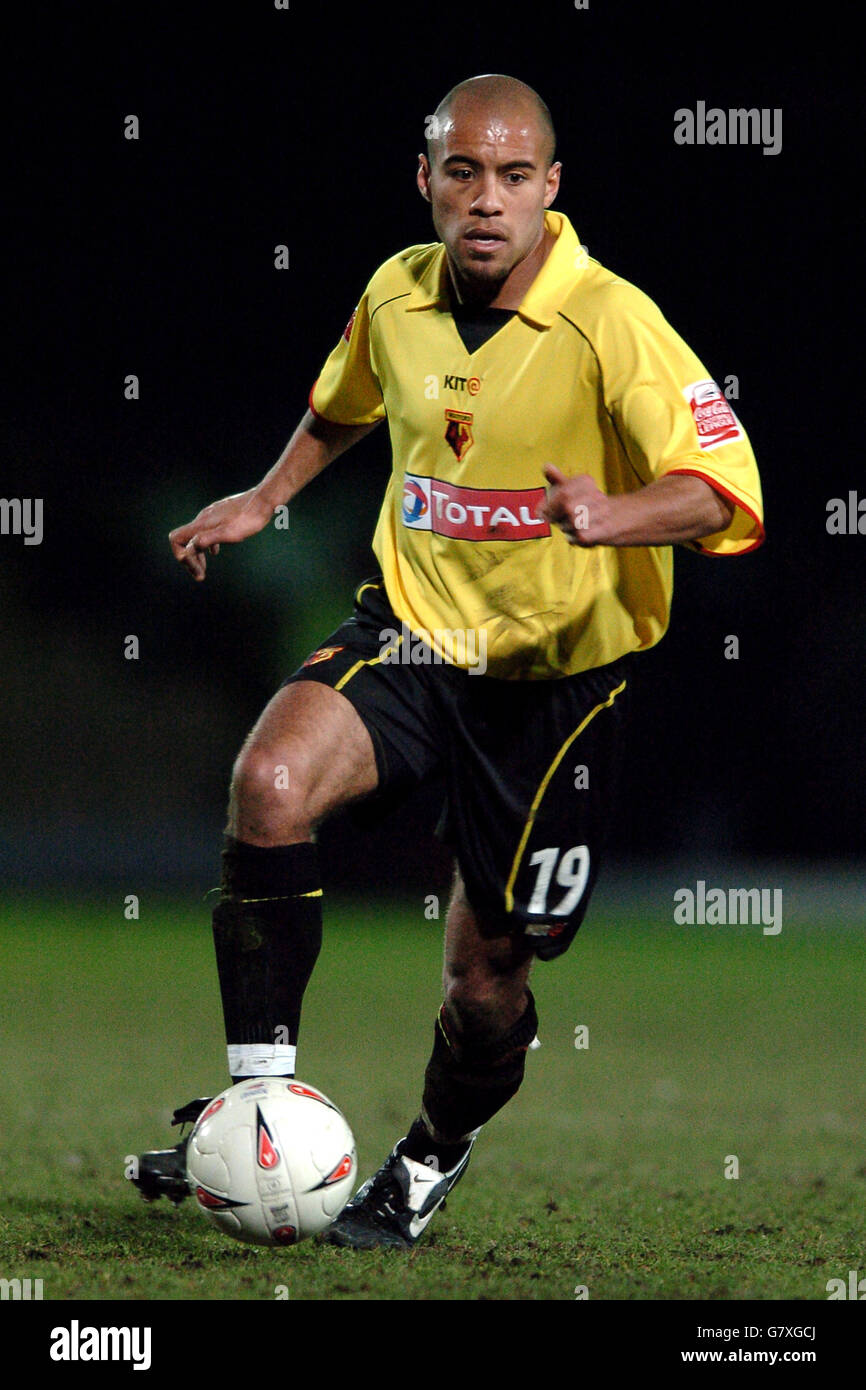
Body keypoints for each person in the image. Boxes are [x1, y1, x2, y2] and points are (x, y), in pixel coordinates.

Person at [130, 73, 764, 1249]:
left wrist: (610, 518)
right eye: (462, 172)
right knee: (268, 786)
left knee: (485, 992)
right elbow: (345, 404)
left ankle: (427, 1156)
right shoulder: (395, 291)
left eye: (513, 176)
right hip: (414, 636)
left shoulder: (609, 320)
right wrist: (263, 498)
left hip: (557, 688)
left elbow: (726, 491)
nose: (486, 200)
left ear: (550, 189)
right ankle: (257, 1104)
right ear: (424, 179)